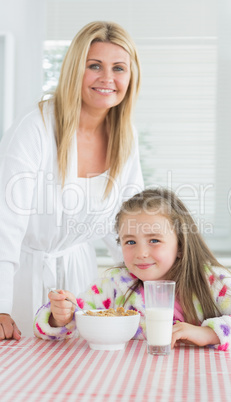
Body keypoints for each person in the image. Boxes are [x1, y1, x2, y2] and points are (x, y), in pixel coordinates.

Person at [0, 21, 144, 339]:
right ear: (74, 70)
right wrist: (1, 306)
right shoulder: (35, 126)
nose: (107, 78)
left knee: (78, 376)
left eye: (119, 68)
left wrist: (148, 280)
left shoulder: (125, 136)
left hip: (80, 281)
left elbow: (129, 223)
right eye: (94, 66)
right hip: (21, 280)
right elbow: (5, 224)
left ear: (131, 77)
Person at [34, 188, 231, 350]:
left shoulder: (209, 279)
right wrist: (58, 317)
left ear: (180, 245)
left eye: (154, 240)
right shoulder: (114, 283)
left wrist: (209, 333)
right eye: (130, 242)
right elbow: (76, 318)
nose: (141, 253)